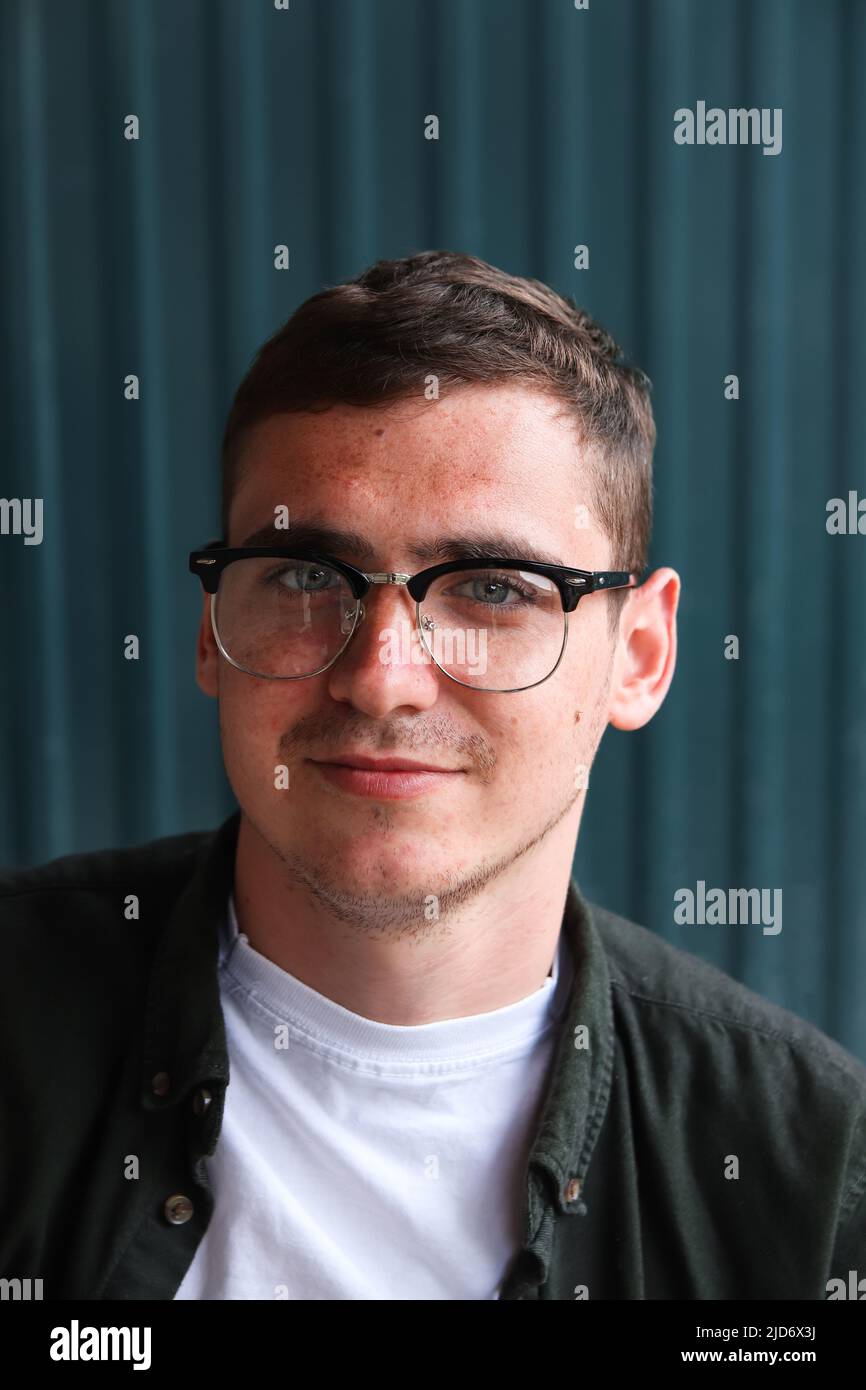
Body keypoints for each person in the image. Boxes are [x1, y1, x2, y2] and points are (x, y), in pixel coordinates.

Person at [2, 251, 863, 1301]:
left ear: (638, 654)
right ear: (211, 633)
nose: (380, 681)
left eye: (493, 588)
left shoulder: (801, 1168)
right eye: (309, 576)